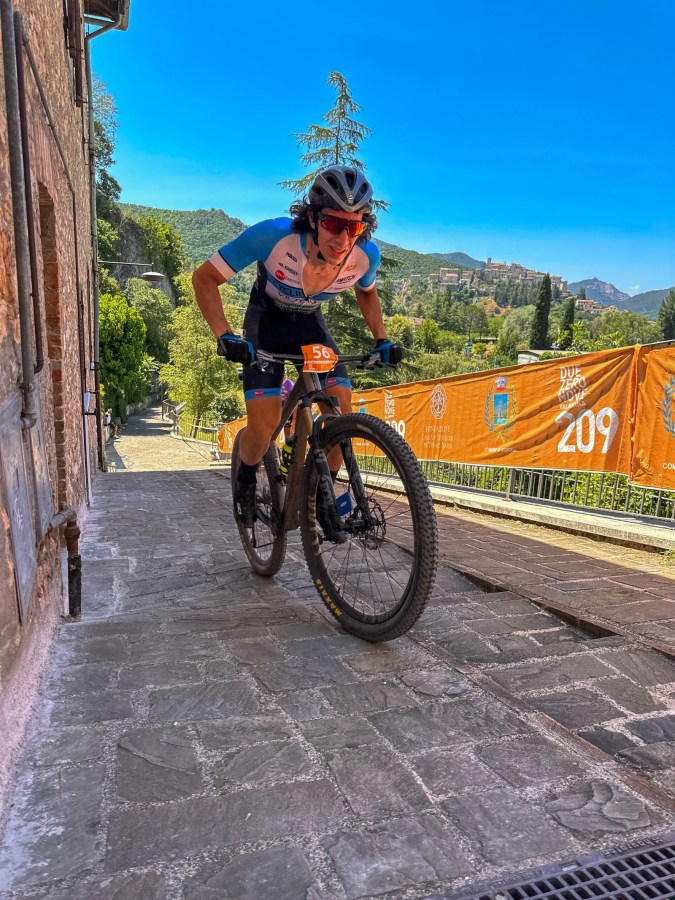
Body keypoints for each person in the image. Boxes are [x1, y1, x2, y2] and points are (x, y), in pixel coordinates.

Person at [192, 165, 403, 528]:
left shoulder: (365, 256)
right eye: (334, 224)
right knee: (265, 423)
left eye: (354, 226)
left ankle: (322, 493)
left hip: (310, 326)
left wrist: (381, 339)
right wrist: (224, 334)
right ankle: (244, 479)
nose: (342, 238)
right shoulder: (273, 237)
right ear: (312, 217)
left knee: (341, 407)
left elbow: (367, 292)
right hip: (266, 323)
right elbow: (204, 278)